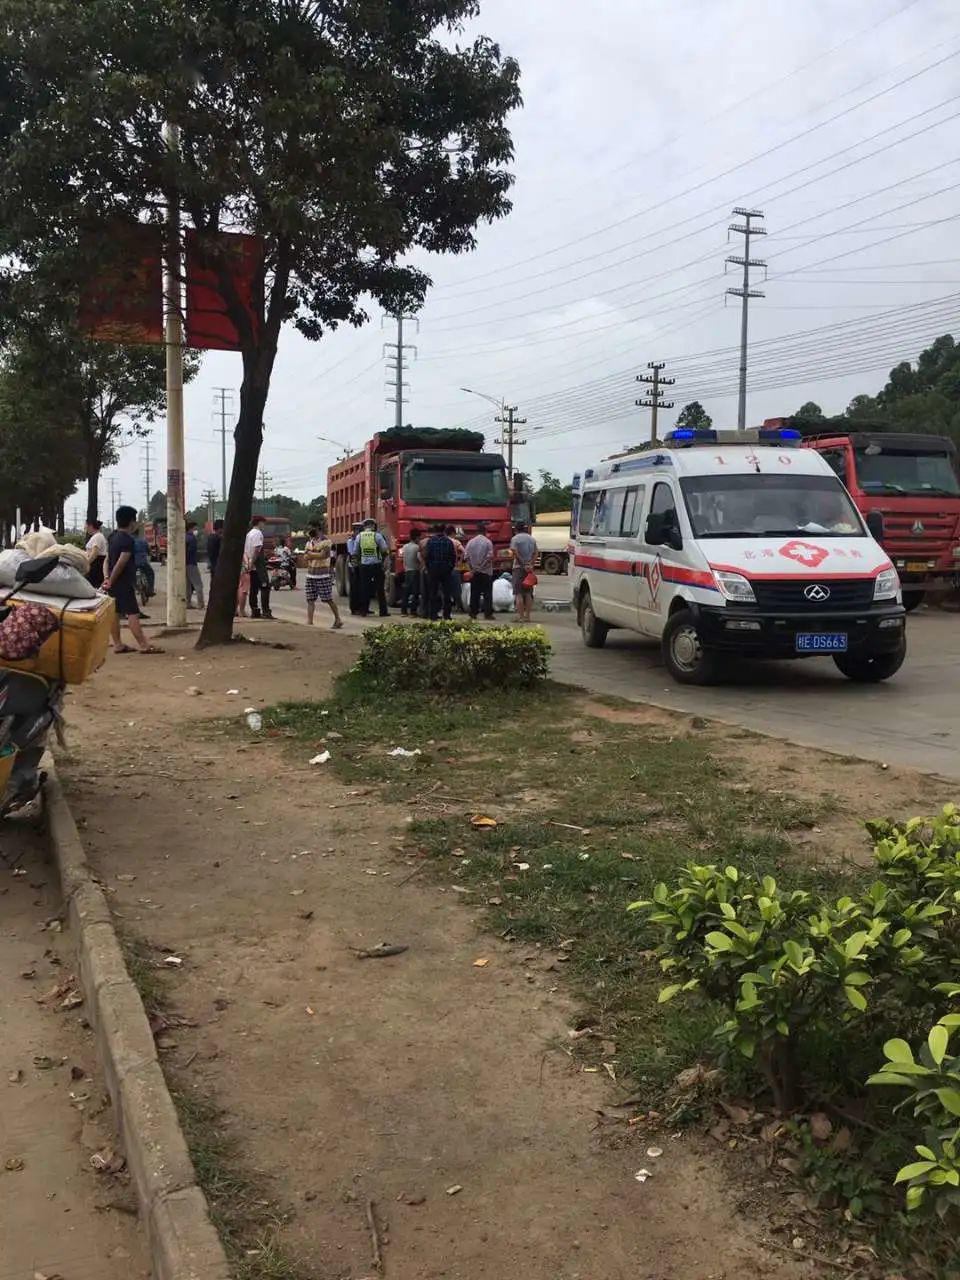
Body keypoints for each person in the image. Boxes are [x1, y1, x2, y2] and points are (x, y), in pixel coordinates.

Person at [103, 506, 162, 654]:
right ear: (131, 522)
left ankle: (118, 644)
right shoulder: (128, 540)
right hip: (122, 582)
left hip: (112, 582)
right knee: (133, 613)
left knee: (114, 614)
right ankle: (144, 645)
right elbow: (122, 562)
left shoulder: (112, 536)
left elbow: (107, 560)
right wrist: (112, 579)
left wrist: (107, 578)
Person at [303, 524, 343, 630]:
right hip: (311, 574)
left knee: (328, 599)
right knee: (310, 599)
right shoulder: (309, 542)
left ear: (319, 530)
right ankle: (309, 621)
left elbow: (323, 555)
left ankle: (338, 619)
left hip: (323, 575)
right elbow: (305, 556)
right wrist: (314, 554)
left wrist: (311, 554)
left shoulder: (326, 542)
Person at [356, 517, 389, 617]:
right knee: (380, 589)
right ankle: (383, 611)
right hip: (376, 565)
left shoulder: (359, 536)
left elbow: (355, 552)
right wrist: (385, 561)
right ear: (374, 526)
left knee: (364, 588)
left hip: (364, 566)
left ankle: (363, 611)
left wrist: (357, 564)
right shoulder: (377, 536)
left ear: (364, 526)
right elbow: (384, 550)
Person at [242, 515, 273, 619]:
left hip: (250, 564)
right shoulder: (258, 533)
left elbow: (245, 551)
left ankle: (254, 610)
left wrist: (247, 563)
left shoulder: (248, 534)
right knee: (265, 587)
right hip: (258, 565)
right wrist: (252, 563)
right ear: (259, 522)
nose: (264, 525)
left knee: (253, 590)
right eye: (263, 523)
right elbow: (257, 549)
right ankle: (266, 611)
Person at [424, 524, 456, 621]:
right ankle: (446, 615)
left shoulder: (430, 541)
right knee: (447, 593)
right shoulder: (449, 541)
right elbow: (453, 556)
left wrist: (429, 568)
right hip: (446, 570)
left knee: (433, 592)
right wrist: (450, 567)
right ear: (444, 530)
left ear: (435, 530)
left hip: (433, 569)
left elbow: (427, 556)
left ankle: (433, 615)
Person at [464, 521, 495, 620]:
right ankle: (488, 614)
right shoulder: (488, 542)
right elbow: (489, 558)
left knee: (475, 593)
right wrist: (480, 567)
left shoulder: (470, 542)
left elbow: (467, 557)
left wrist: (472, 569)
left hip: (474, 572)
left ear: (477, 531)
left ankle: (473, 613)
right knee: (487, 593)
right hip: (486, 572)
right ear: (485, 531)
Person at [510, 521, 538, 624]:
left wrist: (523, 564)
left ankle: (521, 617)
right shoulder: (531, 539)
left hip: (518, 568)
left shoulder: (515, 539)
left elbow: (514, 552)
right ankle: (528, 617)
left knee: (518, 593)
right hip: (529, 569)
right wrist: (530, 564)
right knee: (528, 593)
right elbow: (536, 553)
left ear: (516, 529)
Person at [400, 528, 422, 617]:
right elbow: (419, 559)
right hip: (415, 571)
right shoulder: (417, 547)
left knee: (406, 592)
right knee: (415, 592)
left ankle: (404, 611)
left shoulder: (404, 547)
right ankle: (413, 611)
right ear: (416, 537)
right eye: (419, 538)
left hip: (407, 571)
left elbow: (403, 559)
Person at [185, 521, 205, 609]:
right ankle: (200, 604)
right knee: (198, 585)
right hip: (191, 563)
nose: (196, 530)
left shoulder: (184, 537)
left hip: (184, 564)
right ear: (191, 528)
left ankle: (187, 603)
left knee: (187, 585)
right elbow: (191, 551)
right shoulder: (192, 538)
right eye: (195, 528)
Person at [446, 525, 466, 613]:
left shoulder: (443, 541)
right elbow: (464, 552)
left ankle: (446, 607)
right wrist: (460, 561)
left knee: (445, 588)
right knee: (457, 589)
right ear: (453, 533)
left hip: (444, 568)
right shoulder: (456, 542)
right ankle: (459, 607)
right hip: (454, 568)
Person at [346, 521, 363, 615]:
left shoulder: (359, 539)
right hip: (353, 565)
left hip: (359, 565)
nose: (359, 532)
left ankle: (361, 607)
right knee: (354, 588)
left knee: (361, 587)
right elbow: (352, 553)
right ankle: (354, 608)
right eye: (357, 530)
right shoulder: (351, 541)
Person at [84, 519, 108, 588]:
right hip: (95, 565)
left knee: (93, 586)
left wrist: (86, 563)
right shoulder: (96, 536)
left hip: (96, 565)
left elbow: (94, 553)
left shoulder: (98, 536)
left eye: (86, 526)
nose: (85, 528)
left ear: (90, 526)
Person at [133, 527, 155, 598]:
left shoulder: (129, 541)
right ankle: (150, 590)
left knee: (130, 576)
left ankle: (134, 588)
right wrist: (151, 554)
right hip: (143, 562)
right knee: (150, 573)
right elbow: (149, 551)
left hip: (133, 564)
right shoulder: (143, 541)